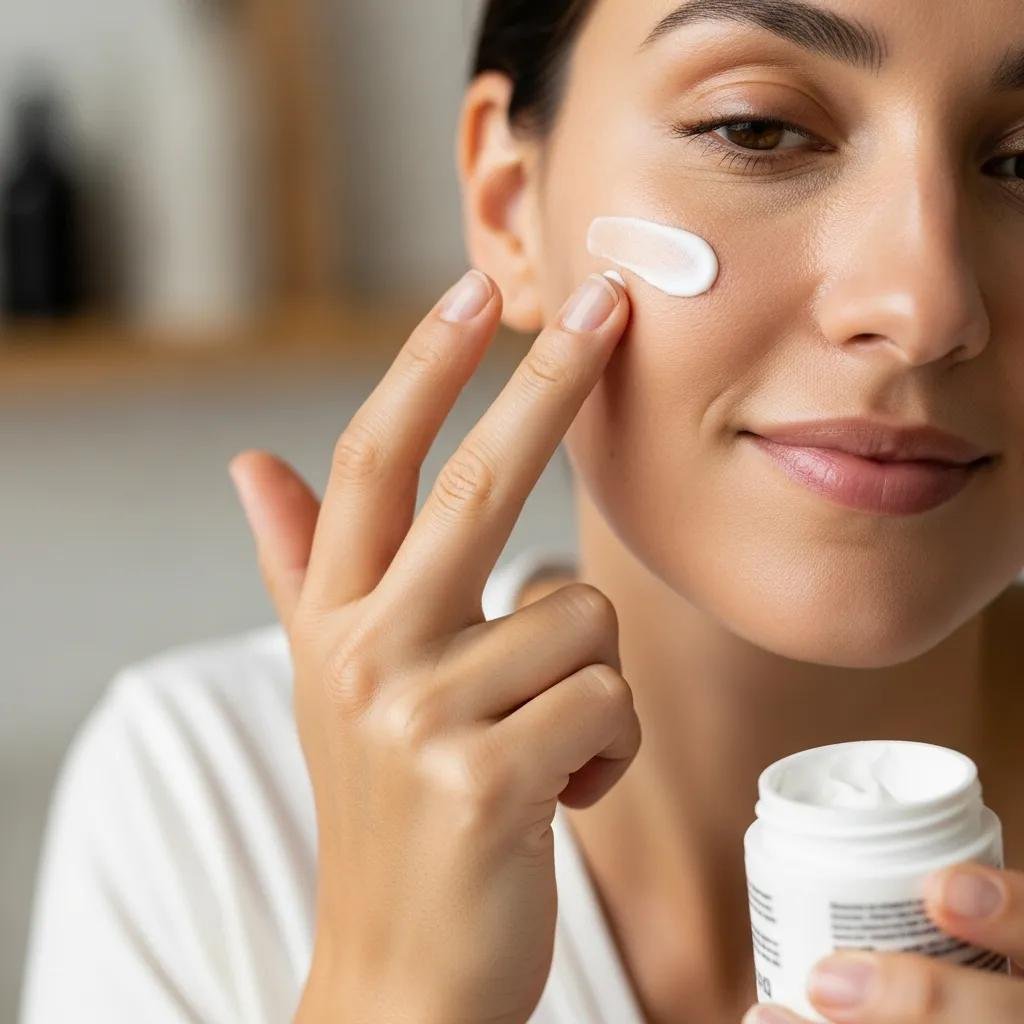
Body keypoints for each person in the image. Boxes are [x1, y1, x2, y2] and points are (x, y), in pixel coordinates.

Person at [20, 1, 1024, 1022]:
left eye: (1022, 162)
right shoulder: (208, 801)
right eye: (756, 127)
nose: (924, 305)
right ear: (508, 203)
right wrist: (391, 990)